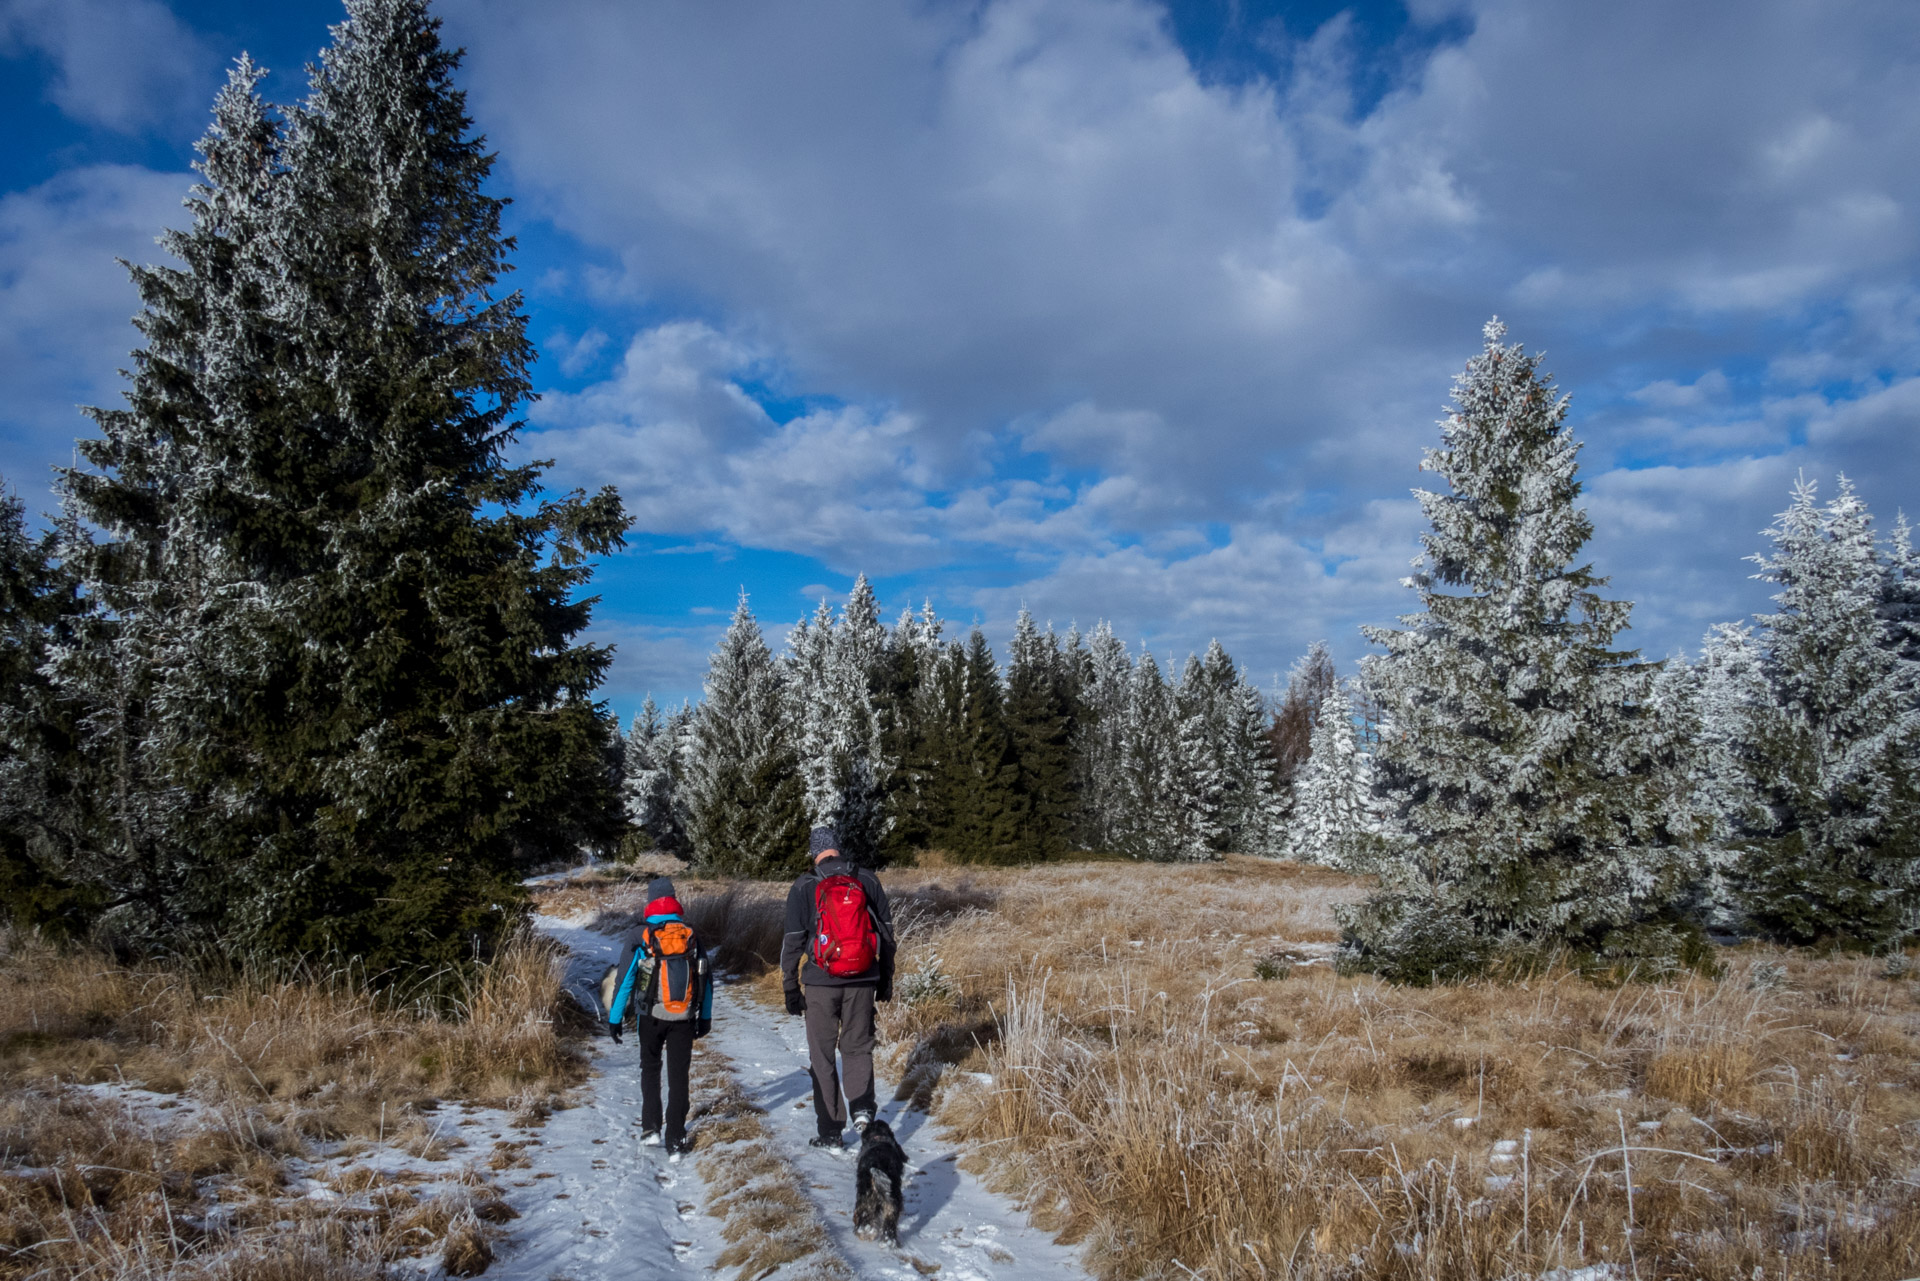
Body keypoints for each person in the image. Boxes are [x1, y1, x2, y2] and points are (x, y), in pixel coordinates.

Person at [781, 826, 895, 1150]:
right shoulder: (867, 880)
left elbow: (792, 943)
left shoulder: (804, 886)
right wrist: (885, 978)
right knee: (858, 1047)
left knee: (823, 1055)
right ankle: (862, 1109)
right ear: (837, 849)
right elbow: (887, 936)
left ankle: (831, 1130)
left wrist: (790, 986)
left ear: (814, 852)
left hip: (819, 982)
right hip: (862, 980)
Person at [607, 876, 712, 1159]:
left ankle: (651, 1128)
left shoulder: (640, 935)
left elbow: (625, 980)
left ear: (650, 902)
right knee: (679, 1076)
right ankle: (676, 1138)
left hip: (650, 1016)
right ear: (674, 901)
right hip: (684, 1017)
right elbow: (706, 978)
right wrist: (705, 1018)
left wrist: (615, 1019)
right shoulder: (690, 934)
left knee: (650, 1068)